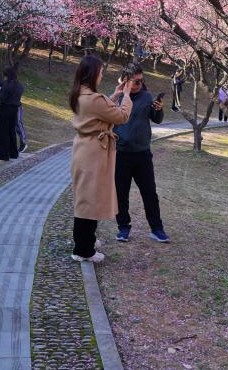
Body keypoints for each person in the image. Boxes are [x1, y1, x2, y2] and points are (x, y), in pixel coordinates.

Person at [69, 54, 133, 263]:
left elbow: (100, 111)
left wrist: (114, 95)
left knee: (87, 198)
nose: (102, 75)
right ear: (93, 74)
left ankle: (86, 241)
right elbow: (121, 116)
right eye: (101, 71)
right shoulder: (95, 99)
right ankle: (83, 250)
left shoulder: (80, 94)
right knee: (89, 201)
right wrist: (126, 96)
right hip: (93, 154)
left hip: (84, 150)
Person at [113, 63, 169, 243]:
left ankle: (157, 229)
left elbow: (157, 119)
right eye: (135, 81)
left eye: (141, 80)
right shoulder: (117, 97)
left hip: (142, 154)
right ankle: (123, 228)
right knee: (121, 194)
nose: (139, 84)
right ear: (125, 80)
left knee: (149, 193)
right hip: (121, 154)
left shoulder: (146, 96)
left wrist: (158, 109)